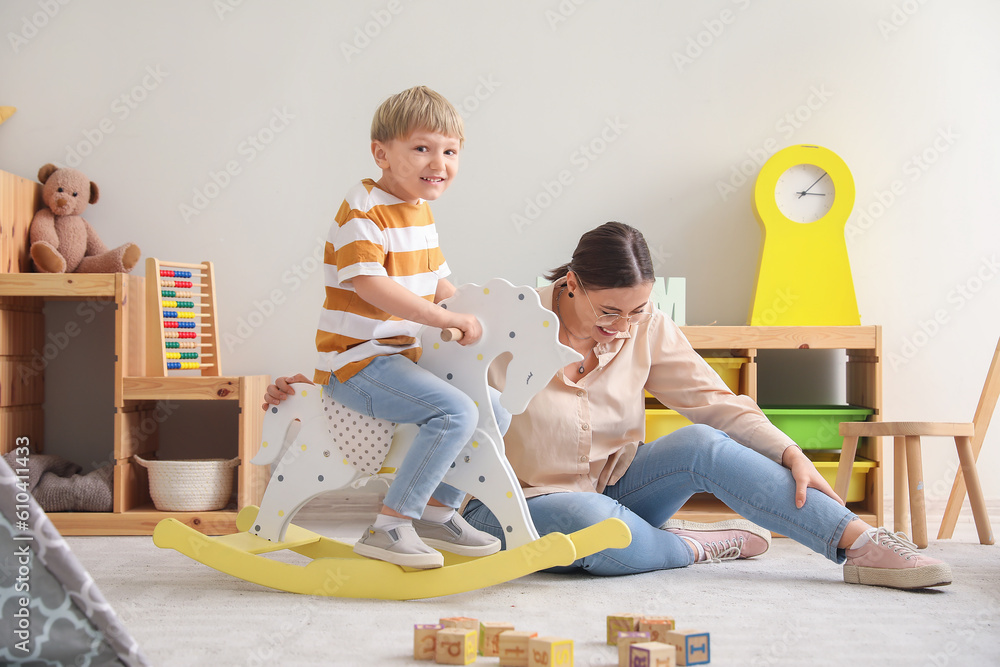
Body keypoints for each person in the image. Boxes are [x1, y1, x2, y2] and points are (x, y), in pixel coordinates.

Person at [266, 221, 951, 590]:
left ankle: (861, 546)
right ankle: (690, 546)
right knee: (587, 519)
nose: (622, 325)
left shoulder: (647, 326)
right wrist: (324, 382)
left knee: (707, 446)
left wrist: (788, 450)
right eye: (609, 310)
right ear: (571, 284)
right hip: (509, 504)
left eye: (639, 309)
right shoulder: (497, 320)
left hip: (621, 485)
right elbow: (398, 362)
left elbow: (715, 402)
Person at [285, 85, 503, 570]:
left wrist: (476, 314)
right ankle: (388, 526)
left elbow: (437, 282)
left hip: (402, 358)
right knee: (455, 413)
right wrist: (444, 319)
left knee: (496, 412)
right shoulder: (363, 207)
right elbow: (369, 285)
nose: (438, 162)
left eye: (450, 151)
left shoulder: (420, 211)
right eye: (422, 148)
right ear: (382, 154)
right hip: (358, 362)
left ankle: (438, 510)